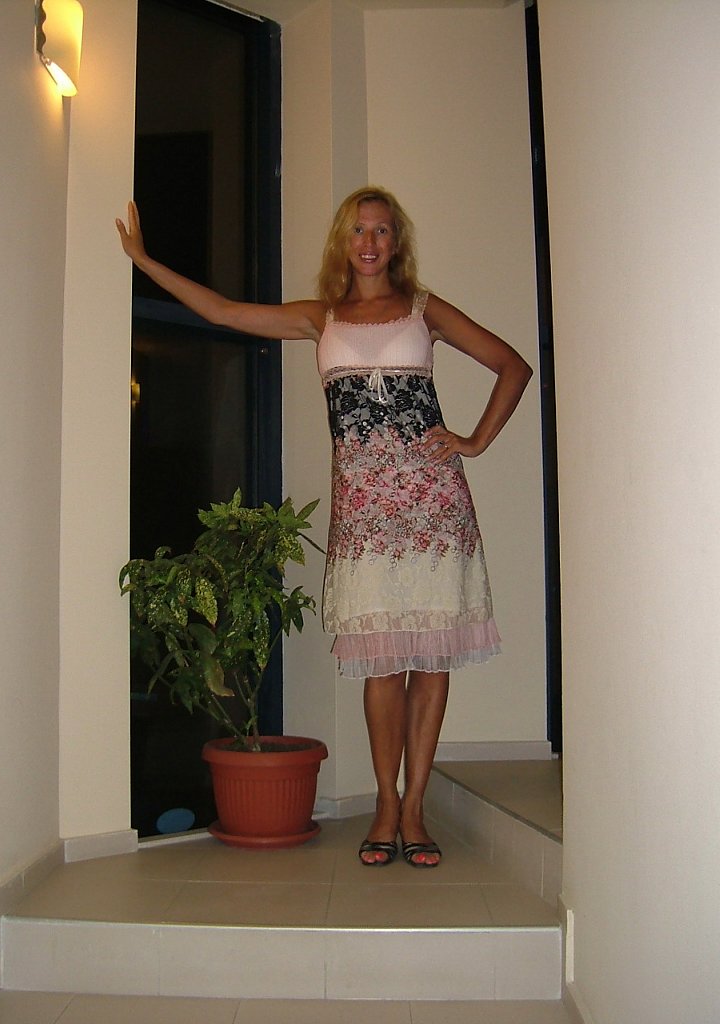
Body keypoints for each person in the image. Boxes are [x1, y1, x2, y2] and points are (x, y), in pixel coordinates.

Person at [116, 186, 532, 868]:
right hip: (365, 517)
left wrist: (475, 440)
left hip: (433, 506)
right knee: (382, 664)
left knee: (430, 660)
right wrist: (145, 260)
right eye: (358, 230)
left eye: (382, 230)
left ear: (396, 242)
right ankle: (386, 804)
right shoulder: (322, 316)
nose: (369, 242)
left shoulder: (424, 310)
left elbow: (513, 365)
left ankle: (416, 807)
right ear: (344, 239)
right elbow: (222, 311)